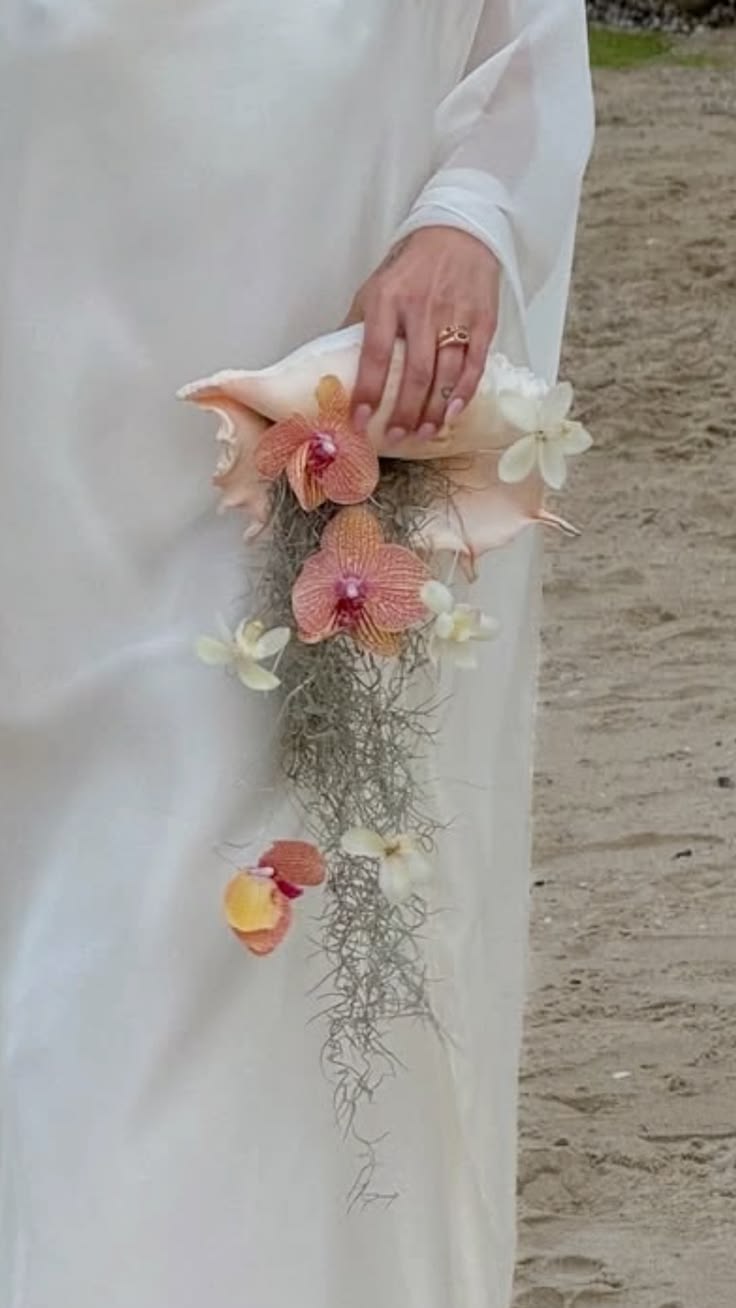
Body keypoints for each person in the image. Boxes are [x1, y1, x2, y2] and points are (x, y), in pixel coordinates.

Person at [0, 4, 593, 1307]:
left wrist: (471, 216)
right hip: (50, 458)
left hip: (310, 394)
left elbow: (523, 43)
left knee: (238, 945)